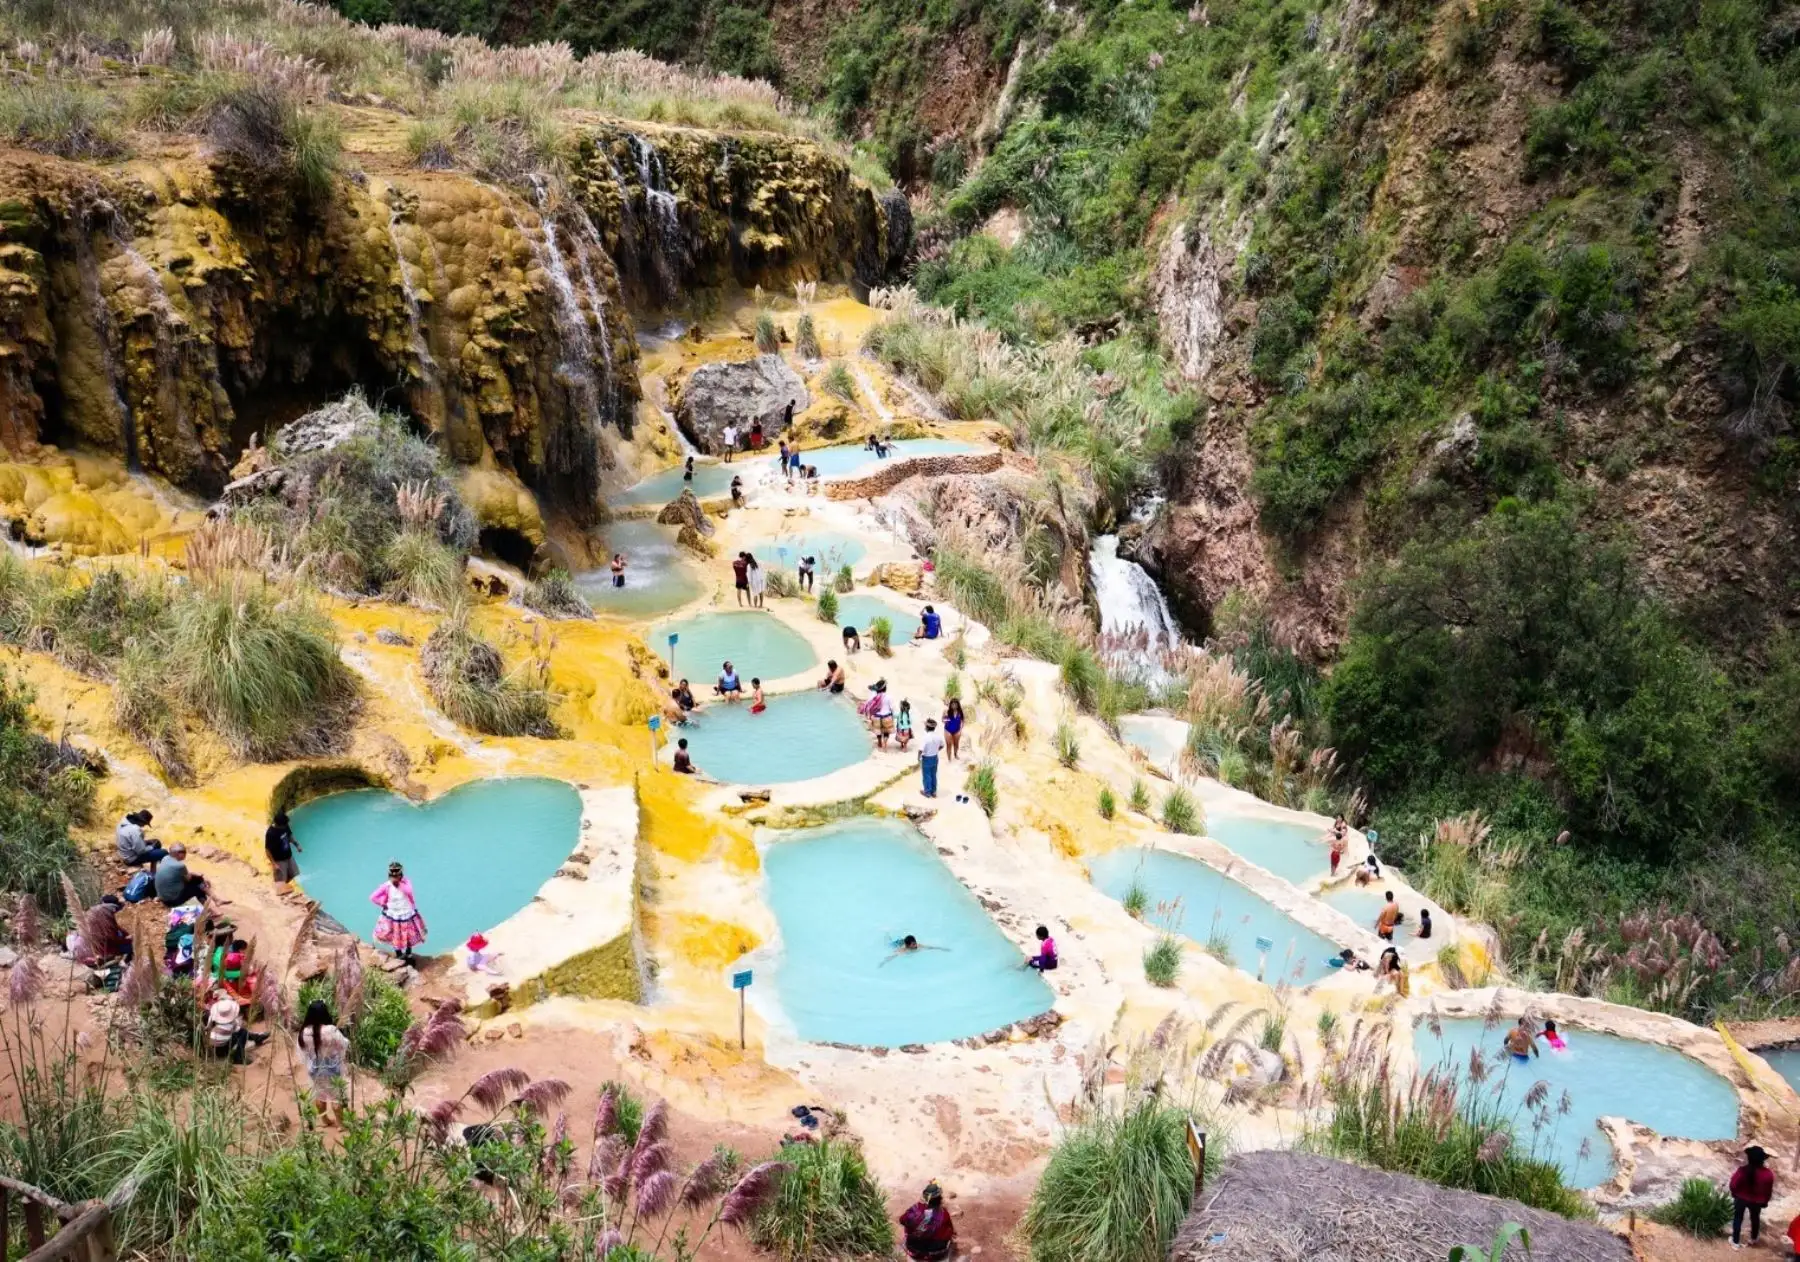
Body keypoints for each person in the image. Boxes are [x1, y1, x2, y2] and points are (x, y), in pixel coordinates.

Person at [297, 999, 350, 1127]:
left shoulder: (304, 1032)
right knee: (336, 1096)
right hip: (332, 1068)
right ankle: (340, 1124)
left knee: (320, 1095)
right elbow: (344, 1044)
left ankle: (325, 1120)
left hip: (315, 1069)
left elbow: (302, 1052)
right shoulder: (331, 1030)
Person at [371, 861, 426, 965]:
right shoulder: (386, 886)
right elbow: (373, 897)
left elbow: (409, 891)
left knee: (409, 934)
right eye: (393, 877)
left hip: (407, 913)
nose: (394, 878)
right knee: (395, 935)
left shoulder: (406, 883)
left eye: (397, 876)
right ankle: (399, 954)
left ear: (401, 876)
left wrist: (400, 884)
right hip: (394, 916)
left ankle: (408, 953)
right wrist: (383, 903)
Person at [899, 1183, 955, 1261]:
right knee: (947, 1232)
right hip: (936, 1253)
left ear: (925, 1197)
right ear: (939, 1198)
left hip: (915, 1251)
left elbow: (902, 1220)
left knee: (908, 1226)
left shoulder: (915, 1210)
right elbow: (950, 1231)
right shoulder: (944, 1213)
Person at [206, 995, 269, 1065]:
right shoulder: (232, 1024)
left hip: (214, 1048)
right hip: (223, 1051)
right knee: (243, 1033)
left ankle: (258, 1037)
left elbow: (208, 1028)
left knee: (241, 1032)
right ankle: (239, 1057)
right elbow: (241, 1031)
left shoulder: (212, 1018)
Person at [1731, 1146, 1774, 1248]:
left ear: (1749, 1158)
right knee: (1755, 1219)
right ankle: (1753, 1238)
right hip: (1757, 1201)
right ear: (1762, 1160)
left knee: (1738, 1218)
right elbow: (1768, 1191)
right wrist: (1765, 1201)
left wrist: (1734, 1193)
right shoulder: (1768, 1174)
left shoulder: (1742, 1170)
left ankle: (1735, 1242)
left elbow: (1733, 1184)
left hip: (1741, 1198)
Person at [266, 811, 301, 893]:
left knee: (294, 873)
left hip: (289, 856)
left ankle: (283, 886)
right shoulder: (271, 833)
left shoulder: (284, 825)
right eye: (284, 825)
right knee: (280, 881)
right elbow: (267, 850)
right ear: (278, 824)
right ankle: (280, 896)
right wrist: (274, 864)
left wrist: (297, 845)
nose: (285, 826)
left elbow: (290, 835)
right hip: (279, 860)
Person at [918, 718, 943, 798]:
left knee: (926, 775)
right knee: (933, 775)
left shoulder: (925, 737)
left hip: (927, 758)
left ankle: (927, 792)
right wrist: (936, 750)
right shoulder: (938, 736)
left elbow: (920, 749)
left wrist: (918, 757)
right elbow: (942, 745)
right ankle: (934, 792)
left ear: (926, 727)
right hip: (935, 757)